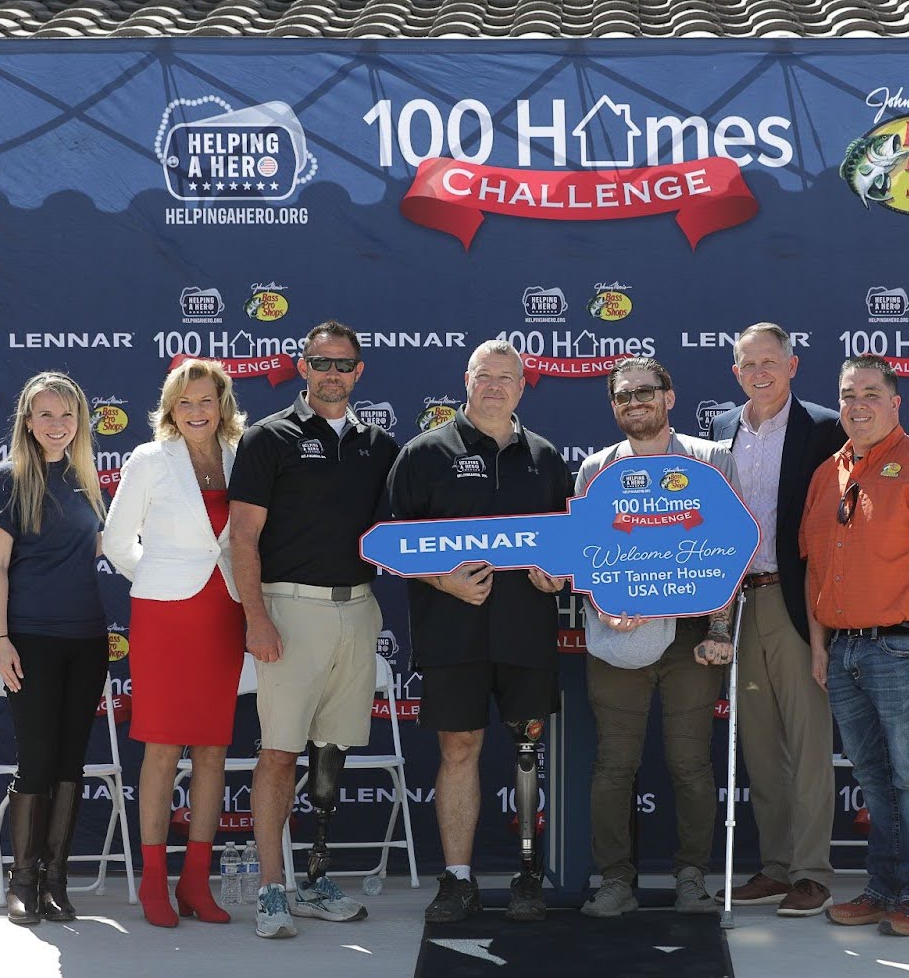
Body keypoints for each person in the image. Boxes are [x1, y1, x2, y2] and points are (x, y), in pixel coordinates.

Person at [387, 339, 573, 924]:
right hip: (453, 635)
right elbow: (391, 544)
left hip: (526, 634)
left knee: (526, 751)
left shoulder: (544, 456)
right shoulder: (424, 453)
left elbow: (570, 547)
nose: (496, 387)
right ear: (465, 381)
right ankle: (458, 879)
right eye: (485, 376)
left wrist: (557, 577)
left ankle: (525, 875)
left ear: (524, 386)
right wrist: (443, 581)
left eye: (507, 378)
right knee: (459, 749)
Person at [228, 321, 399, 940]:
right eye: (320, 363)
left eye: (343, 364)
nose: (332, 374)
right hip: (288, 610)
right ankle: (274, 888)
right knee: (278, 751)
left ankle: (317, 878)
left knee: (333, 749)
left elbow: (404, 534)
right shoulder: (268, 437)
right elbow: (241, 537)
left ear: (360, 372)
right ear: (303, 367)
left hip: (359, 607)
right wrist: (256, 618)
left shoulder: (379, 446)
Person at [800, 354, 909, 937]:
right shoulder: (828, 473)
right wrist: (820, 646)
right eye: (848, 395)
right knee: (873, 778)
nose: (858, 405)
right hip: (843, 651)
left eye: (871, 393)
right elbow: (813, 568)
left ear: (896, 402)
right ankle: (882, 888)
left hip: (903, 649)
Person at [575, 357, 735, 918]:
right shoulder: (596, 469)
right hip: (620, 640)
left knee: (690, 764)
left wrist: (719, 630)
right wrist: (603, 606)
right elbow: (586, 555)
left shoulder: (713, 460)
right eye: (622, 396)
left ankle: (692, 877)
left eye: (645, 392)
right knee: (615, 765)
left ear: (670, 396)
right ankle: (615, 881)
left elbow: (730, 551)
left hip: (693, 639)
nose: (634, 402)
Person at [102, 358, 249, 928]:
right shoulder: (147, 459)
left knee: (213, 748)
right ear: (170, 407)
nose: (195, 412)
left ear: (222, 404)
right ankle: (153, 881)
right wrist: (158, 576)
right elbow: (116, 540)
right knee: (162, 747)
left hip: (225, 612)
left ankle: (195, 880)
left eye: (206, 401)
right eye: (184, 402)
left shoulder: (242, 456)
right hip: (164, 613)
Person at [708, 323, 846, 918]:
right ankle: (774, 866)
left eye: (770, 360)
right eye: (747, 363)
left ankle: (812, 873)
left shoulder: (824, 428)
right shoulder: (720, 429)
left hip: (799, 604)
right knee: (760, 745)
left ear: (792, 365)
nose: (759, 371)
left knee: (809, 743)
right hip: (738, 603)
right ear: (735, 371)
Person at [0, 371, 108, 925]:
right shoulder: (7, 479)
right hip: (29, 639)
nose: (57, 425)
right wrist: (1, 640)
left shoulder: (88, 479)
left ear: (79, 421)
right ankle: (22, 881)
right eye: (46, 415)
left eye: (67, 414)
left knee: (69, 762)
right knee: (34, 761)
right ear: (28, 423)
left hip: (87, 640)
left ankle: (56, 881)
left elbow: (114, 551)